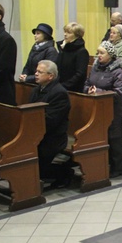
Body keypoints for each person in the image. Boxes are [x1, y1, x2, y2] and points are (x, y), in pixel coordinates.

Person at [84, 41, 122, 177]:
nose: (98, 55)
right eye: (98, 52)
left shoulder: (118, 71)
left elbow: (119, 92)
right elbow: (86, 83)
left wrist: (100, 91)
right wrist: (89, 90)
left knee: (114, 138)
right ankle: (104, 164)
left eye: (102, 53)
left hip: (114, 109)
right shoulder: (95, 68)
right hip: (98, 108)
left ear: (111, 55)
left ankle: (118, 168)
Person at [29, 60, 72, 188]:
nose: (36, 74)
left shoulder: (59, 93)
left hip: (53, 137)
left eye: (40, 72)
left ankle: (64, 173)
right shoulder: (36, 90)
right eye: (36, 71)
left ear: (50, 76)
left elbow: (51, 120)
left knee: (38, 166)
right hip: (38, 134)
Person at [56, 22, 89, 93]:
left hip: (74, 89)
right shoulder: (63, 49)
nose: (65, 34)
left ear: (77, 35)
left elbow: (80, 74)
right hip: (61, 87)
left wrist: (64, 85)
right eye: (65, 32)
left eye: (69, 32)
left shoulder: (82, 52)